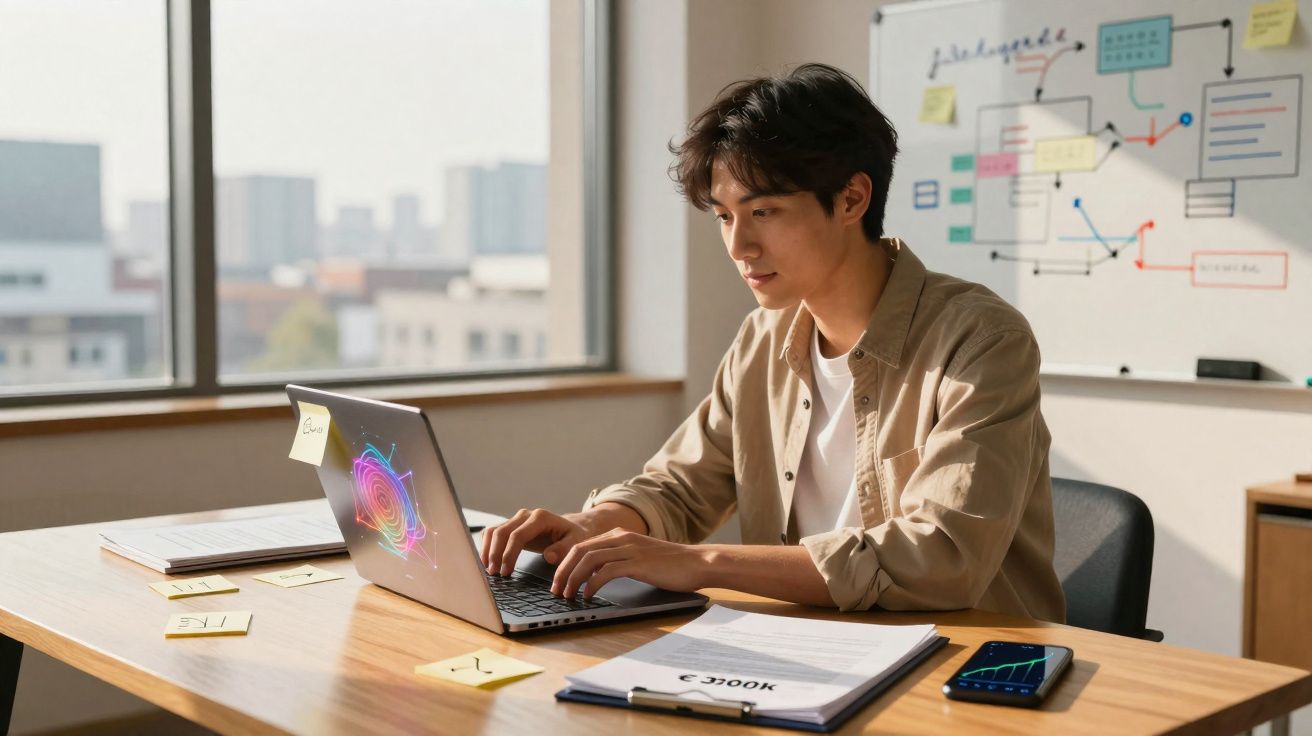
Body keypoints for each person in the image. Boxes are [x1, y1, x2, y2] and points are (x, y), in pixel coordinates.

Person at [480, 63, 1065, 622]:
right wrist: (595, 523)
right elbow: (682, 487)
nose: (740, 246)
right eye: (725, 216)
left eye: (764, 211)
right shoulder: (764, 337)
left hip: (966, 664)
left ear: (852, 200)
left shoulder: (982, 340)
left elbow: (940, 557)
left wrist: (700, 563)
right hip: (802, 652)